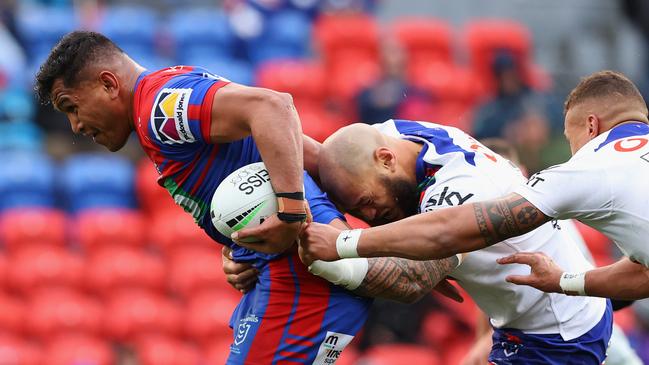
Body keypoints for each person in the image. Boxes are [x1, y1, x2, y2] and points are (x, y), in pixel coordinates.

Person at [34, 31, 460, 364]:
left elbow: (272, 107)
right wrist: (238, 246)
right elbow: (310, 155)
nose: (74, 126)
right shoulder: (165, 97)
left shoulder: (158, 108)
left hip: (300, 287)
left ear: (108, 83)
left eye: (71, 106)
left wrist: (292, 210)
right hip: (285, 280)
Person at [240, 119, 612, 363]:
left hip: (558, 336)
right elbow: (317, 154)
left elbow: (410, 280)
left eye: (368, 204)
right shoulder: (394, 138)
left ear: (386, 160)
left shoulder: (459, 188)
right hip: (523, 318)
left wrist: (317, 251)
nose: (369, 217)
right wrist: (249, 245)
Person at [300, 70, 649, 301]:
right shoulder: (395, 136)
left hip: (554, 337)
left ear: (591, 126)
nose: (573, 149)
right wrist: (564, 281)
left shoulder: (583, 172)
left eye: (569, 137)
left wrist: (342, 243)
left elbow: (447, 236)